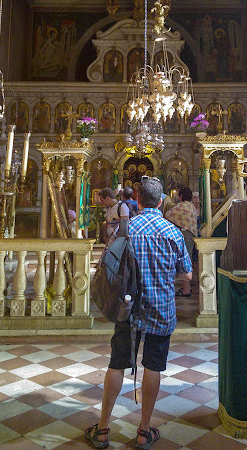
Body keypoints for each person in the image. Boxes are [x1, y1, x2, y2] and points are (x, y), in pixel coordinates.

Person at [85, 177, 192, 449]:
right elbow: (187, 272)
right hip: (161, 308)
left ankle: (103, 429)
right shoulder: (172, 232)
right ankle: (144, 430)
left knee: (117, 362)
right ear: (159, 202)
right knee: (153, 366)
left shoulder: (125, 228)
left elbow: (106, 266)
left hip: (127, 307)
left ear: (139, 202)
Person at [165, 186, 198, 297]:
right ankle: (186, 288)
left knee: (184, 261)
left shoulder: (182, 206)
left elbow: (168, 215)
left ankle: (186, 290)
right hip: (191, 235)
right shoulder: (191, 206)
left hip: (186, 235)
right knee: (187, 260)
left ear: (181, 196)